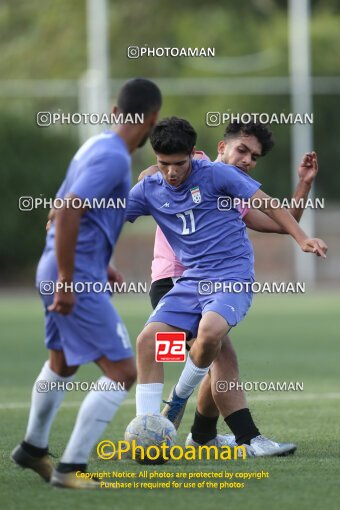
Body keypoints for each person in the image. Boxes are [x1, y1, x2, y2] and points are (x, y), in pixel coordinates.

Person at [126, 116, 327, 459]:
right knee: (206, 353)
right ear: (221, 148)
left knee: (213, 352)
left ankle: (200, 435)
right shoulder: (187, 167)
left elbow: (279, 218)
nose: (248, 159)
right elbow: (154, 175)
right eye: (242, 150)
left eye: (254, 156)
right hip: (173, 282)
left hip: (218, 282)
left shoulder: (231, 188)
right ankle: (237, 435)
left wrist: (303, 189)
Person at [11, 78, 162, 489]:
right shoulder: (114, 158)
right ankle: (71, 469)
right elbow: (66, 211)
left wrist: (100, 262)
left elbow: (61, 209)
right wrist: (68, 277)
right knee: (123, 371)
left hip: (68, 268)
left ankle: (33, 448)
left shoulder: (94, 146)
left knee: (63, 363)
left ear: (115, 112)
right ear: (152, 120)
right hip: (71, 274)